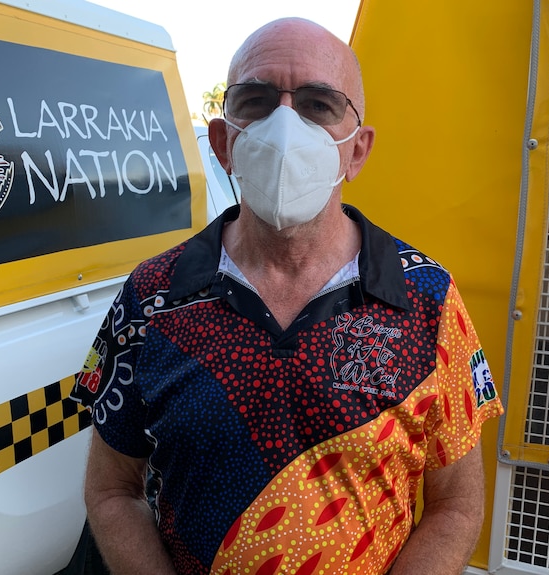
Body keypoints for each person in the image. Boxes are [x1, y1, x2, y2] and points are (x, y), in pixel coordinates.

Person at [72, 17, 504, 575]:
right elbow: (112, 492)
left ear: (357, 151)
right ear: (223, 142)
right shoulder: (152, 296)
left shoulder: (425, 298)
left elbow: (455, 504)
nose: (283, 126)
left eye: (319, 105)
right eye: (255, 101)